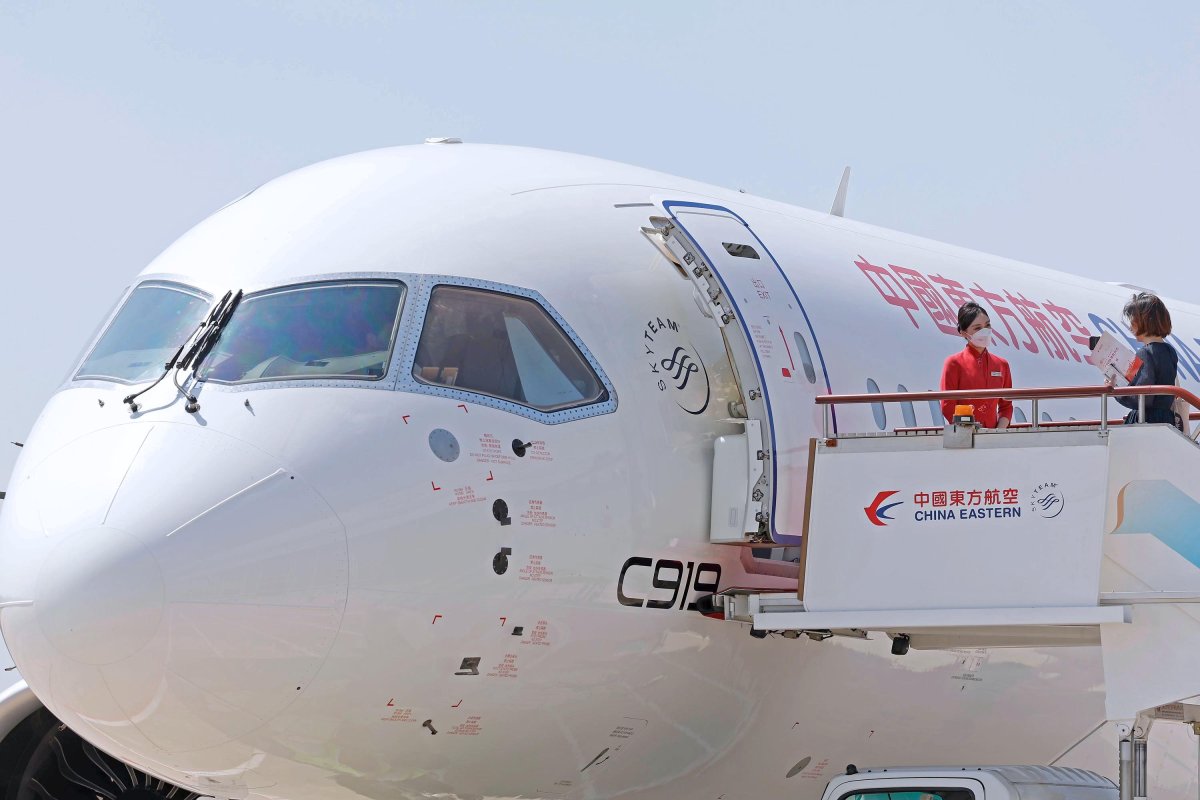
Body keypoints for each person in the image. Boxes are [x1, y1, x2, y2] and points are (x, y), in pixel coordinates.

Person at [1112, 292, 1183, 430]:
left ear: (1144, 321)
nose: (1130, 327)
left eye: (1133, 320)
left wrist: (1115, 390)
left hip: (1147, 420)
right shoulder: (1170, 351)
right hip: (1166, 419)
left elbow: (1142, 398)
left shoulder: (1145, 353)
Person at [940, 301, 1013, 429]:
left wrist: (998, 432)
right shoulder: (954, 363)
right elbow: (947, 406)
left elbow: (1006, 406)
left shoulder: (1002, 365)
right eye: (977, 328)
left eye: (987, 325)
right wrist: (969, 430)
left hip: (994, 436)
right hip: (965, 434)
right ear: (964, 333)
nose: (985, 331)